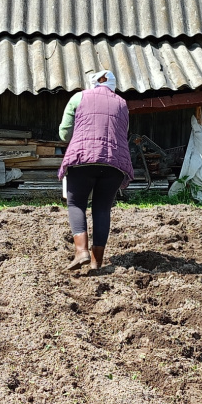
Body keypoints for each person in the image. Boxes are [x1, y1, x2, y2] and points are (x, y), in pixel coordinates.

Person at [59, 70, 133, 273]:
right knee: (102, 208)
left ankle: (81, 251)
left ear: (92, 84)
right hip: (113, 162)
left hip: (83, 158)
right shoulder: (122, 103)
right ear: (113, 86)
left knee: (76, 203)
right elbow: (122, 132)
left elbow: (65, 133)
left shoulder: (78, 97)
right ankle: (96, 262)